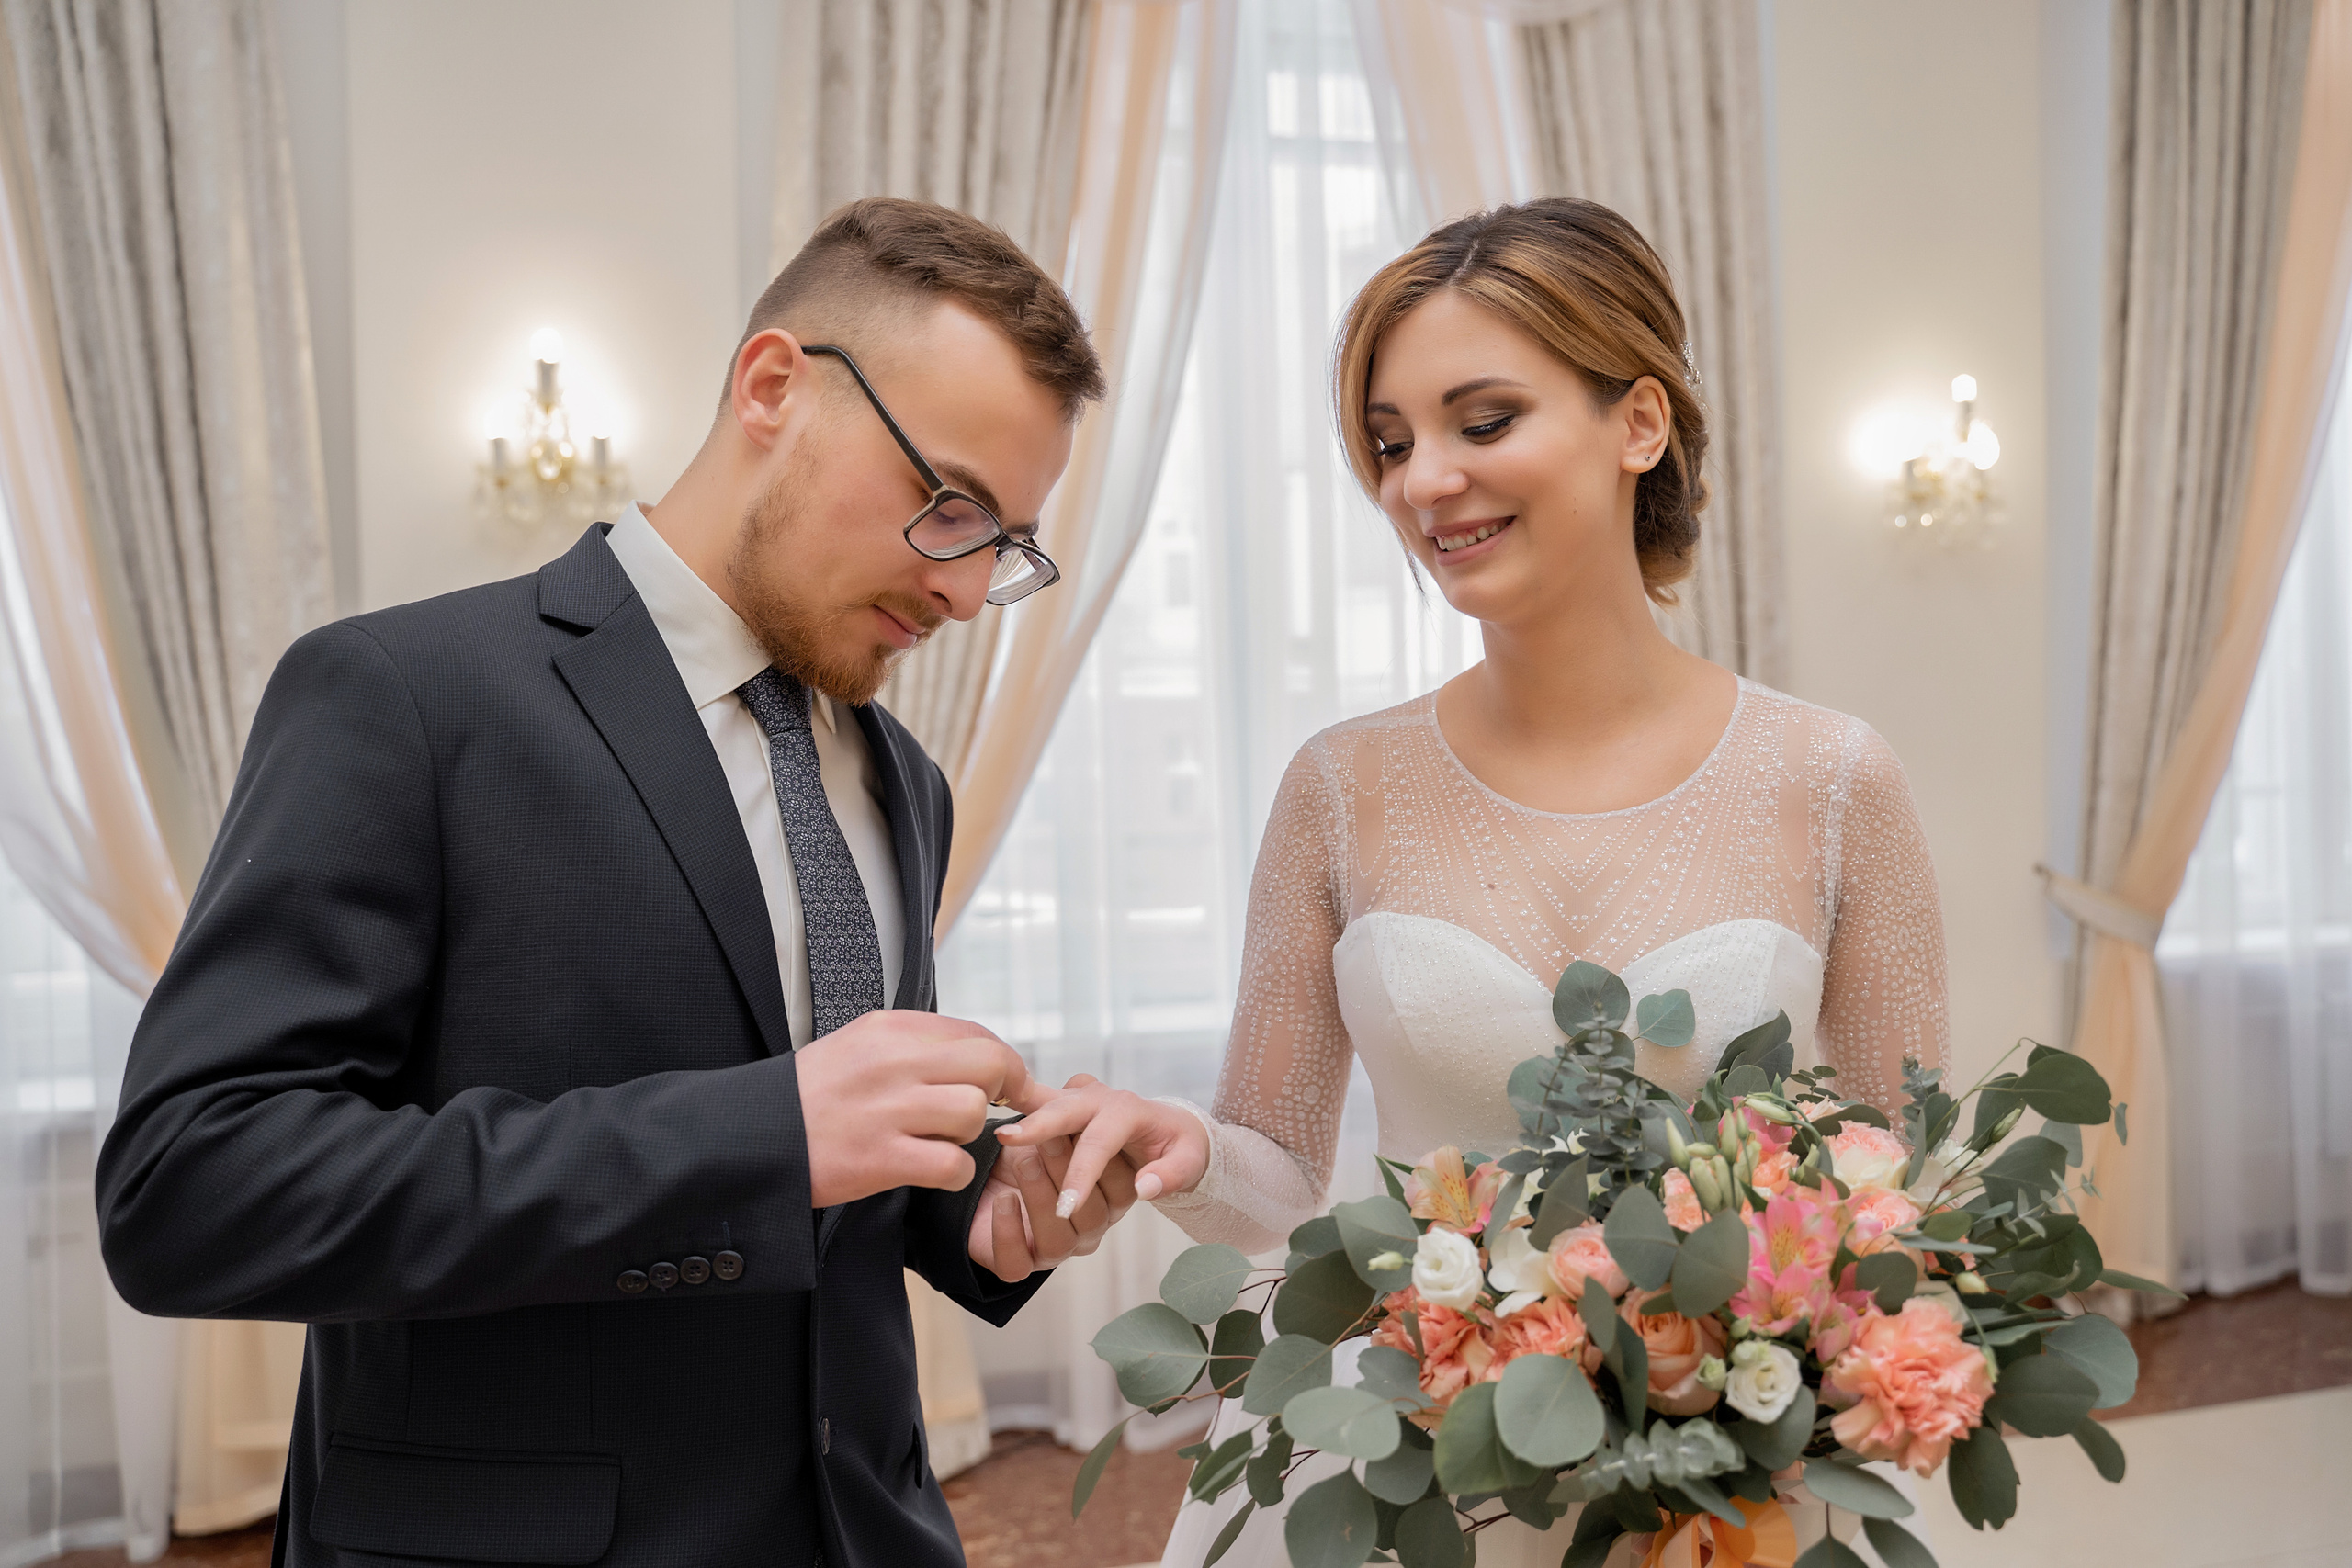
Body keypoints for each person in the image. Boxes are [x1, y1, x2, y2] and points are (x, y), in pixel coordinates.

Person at [96, 197, 1137, 1568]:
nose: (960, 593)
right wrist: (754, 1137)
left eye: (1003, 543)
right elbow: (192, 1192)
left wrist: (983, 1216)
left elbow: (827, 1169)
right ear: (773, 386)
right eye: (947, 504)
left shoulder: (907, 781)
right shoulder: (401, 697)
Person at [1002, 198, 1952, 1566]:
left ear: (1640, 424)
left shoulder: (1835, 778)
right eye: (1390, 444)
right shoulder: (1340, 787)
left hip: (1720, 1477)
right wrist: (1183, 1148)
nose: (1421, 480)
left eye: (1482, 420)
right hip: (1400, 1468)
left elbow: (1893, 1190)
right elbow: (1277, 1179)